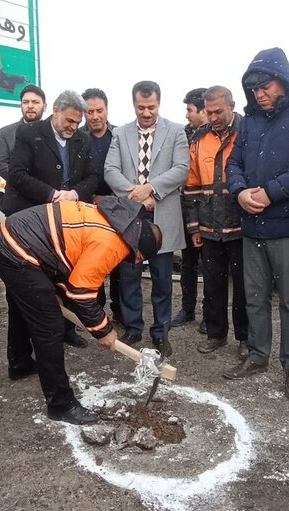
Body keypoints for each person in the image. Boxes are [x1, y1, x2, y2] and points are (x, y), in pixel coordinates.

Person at [0, 197, 162, 424]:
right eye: (141, 258)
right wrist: (104, 330)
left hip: (11, 236)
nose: (137, 262)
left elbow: (69, 264)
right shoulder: (112, 243)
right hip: (17, 249)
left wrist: (63, 295)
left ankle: (19, 363)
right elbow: (81, 293)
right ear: (139, 250)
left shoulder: (114, 222)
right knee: (49, 325)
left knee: (25, 306)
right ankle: (60, 404)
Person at [223, 48, 289, 401]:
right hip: (252, 226)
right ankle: (257, 355)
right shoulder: (250, 121)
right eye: (253, 88)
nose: (258, 93)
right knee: (254, 297)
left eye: (265, 85)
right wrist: (239, 192)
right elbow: (234, 163)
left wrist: (269, 193)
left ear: (283, 81)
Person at [7, 89, 99, 356]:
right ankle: (21, 354)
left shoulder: (83, 139)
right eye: (69, 121)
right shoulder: (29, 134)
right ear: (55, 111)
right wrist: (52, 195)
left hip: (68, 225)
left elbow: (93, 177)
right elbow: (17, 175)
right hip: (32, 223)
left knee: (65, 279)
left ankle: (66, 332)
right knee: (27, 288)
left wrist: (74, 193)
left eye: (77, 123)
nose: (73, 127)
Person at [104, 80, 190, 355]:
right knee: (129, 276)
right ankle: (133, 328)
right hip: (129, 219)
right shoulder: (120, 133)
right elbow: (110, 169)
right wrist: (136, 193)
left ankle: (160, 331)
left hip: (162, 216)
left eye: (151, 107)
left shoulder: (176, 131)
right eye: (141, 107)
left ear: (159, 104)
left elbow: (181, 169)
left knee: (162, 278)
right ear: (133, 105)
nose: (146, 113)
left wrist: (152, 188)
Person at [182, 86, 248, 356]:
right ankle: (216, 333)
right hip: (209, 226)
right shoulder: (198, 138)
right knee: (212, 283)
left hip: (242, 226)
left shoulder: (248, 131)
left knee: (244, 286)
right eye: (209, 112)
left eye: (218, 111)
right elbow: (192, 185)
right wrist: (194, 226)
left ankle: (245, 339)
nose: (213, 117)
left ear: (232, 105)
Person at [81, 87, 122, 324]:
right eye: (90, 111)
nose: (95, 116)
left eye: (99, 110)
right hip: (87, 210)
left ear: (107, 109)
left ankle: (120, 311)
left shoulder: (120, 136)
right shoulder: (78, 138)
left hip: (117, 209)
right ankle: (95, 311)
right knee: (91, 262)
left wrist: (111, 199)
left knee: (117, 263)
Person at [172, 88, 208, 333]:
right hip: (186, 209)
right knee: (188, 264)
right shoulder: (184, 135)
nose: (186, 115)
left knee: (211, 267)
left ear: (203, 110)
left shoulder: (218, 136)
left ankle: (210, 315)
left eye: (190, 110)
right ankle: (187, 309)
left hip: (211, 211)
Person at [0, 84, 47, 206]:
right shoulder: (6, 132)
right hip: (16, 199)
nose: (30, 106)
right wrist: (24, 181)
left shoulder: (53, 133)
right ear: (21, 105)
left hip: (44, 199)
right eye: (26, 102)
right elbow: (1, 165)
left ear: (44, 106)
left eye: (35, 102)